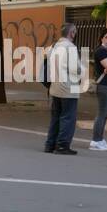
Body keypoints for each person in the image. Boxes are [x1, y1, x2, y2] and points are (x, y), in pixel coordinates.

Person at [44, 23, 83, 155]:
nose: (75, 34)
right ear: (71, 33)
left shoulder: (53, 47)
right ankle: (62, 146)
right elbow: (75, 69)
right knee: (68, 117)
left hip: (55, 88)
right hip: (68, 88)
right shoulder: (70, 47)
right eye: (75, 32)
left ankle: (50, 145)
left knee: (55, 117)